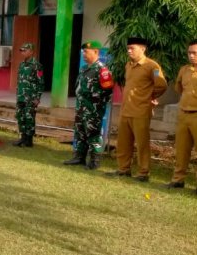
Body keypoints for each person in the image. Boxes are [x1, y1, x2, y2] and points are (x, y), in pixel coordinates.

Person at [112, 37, 167, 181]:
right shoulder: (128, 65)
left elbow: (161, 85)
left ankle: (143, 173)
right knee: (123, 142)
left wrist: (150, 96)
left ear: (143, 49)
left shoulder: (152, 66)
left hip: (141, 111)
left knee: (142, 143)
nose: (129, 51)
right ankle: (123, 169)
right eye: (128, 48)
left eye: (132, 48)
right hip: (126, 110)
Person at [64, 41, 114, 169]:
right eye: (83, 52)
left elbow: (108, 91)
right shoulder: (84, 68)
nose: (84, 55)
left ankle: (94, 161)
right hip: (81, 107)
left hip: (93, 109)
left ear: (96, 52)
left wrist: (95, 103)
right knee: (80, 132)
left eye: (86, 52)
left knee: (93, 134)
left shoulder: (102, 70)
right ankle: (79, 157)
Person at [166, 40, 197, 191]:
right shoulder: (184, 70)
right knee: (181, 149)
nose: (192, 56)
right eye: (190, 53)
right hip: (184, 114)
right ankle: (178, 179)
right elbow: (178, 87)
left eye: (195, 53)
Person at [12, 42, 44, 147]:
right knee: (20, 117)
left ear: (31, 52)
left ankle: (29, 140)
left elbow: (40, 82)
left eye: (25, 50)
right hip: (21, 96)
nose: (23, 52)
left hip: (31, 97)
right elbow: (19, 80)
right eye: (21, 50)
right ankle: (23, 137)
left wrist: (37, 98)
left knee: (29, 118)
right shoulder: (22, 64)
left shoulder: (36, 65)